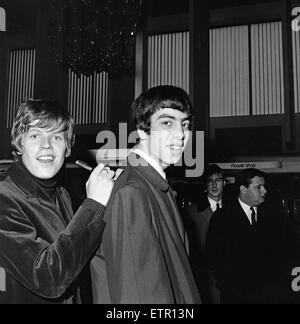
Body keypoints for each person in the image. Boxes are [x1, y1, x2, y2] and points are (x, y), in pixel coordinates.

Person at [91, 85, 201, 304]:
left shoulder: (153, 185)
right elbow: (139, 295)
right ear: (142, 131)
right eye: (167, 123)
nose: (180, 134)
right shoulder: (133, 192)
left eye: (185, 124)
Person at [0, 100, 116, 304]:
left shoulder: (61, 193)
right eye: (35, 135)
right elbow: (48, 278)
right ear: (19, 144)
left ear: (67, 147)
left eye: (56, 136)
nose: (47, 145)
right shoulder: (4, 195)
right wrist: (94, 205)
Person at [206, 168, 288, 304]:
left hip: (268, 295)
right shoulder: (222, 217)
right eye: (258, 187)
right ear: (243, 189)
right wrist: (227, 285)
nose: (264, 191)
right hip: (236, 295)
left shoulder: (273, 215)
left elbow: (279, 253)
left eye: (264, 187)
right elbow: (213, 256)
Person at [183, 164, 226, 304]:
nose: (214, 185)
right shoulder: (190, 213)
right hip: (203, 282)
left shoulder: (234, 210)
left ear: (224, 183)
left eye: (218, 180)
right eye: (209, 181)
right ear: (205, 185)